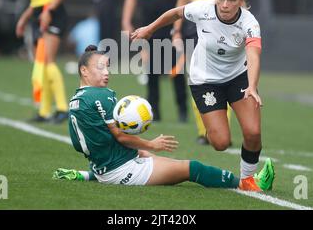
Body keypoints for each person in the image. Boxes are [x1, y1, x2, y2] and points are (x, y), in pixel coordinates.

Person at [53, 45, 274, 192]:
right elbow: (120, 136)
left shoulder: (76, 100)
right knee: (192, 168)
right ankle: (249, 184)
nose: (107, 73)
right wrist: (152, 143)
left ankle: (85, 175)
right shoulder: (102, 95)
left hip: (104, 167)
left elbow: (79, 144)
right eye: (100, 68)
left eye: (107, 67)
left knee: (145, 154)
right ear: (83, 70)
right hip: (123, 171)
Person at [131, 0, 268, 189]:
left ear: (241, 1)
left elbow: (253, 55)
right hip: (205, 80)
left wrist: (252, 86)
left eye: (232, 0)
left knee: (253, 133)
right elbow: (175, 13)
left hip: (238, 78)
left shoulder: (250, 23)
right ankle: (217, 131)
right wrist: (149, 29)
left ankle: (247, 179)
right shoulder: (202, 9)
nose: (224, 5)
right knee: (220, 143)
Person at [173, 0, 241, 145]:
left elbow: (241, 1)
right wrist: (176, 29)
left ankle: (223, 133)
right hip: (195, 27)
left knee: (225, 79)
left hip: (225, 28)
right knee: (197, 79)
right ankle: (204, 132)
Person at [121, 0, 187, 122]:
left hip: (174, 30)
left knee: (177, 72)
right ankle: (154, 113)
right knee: (152, 73)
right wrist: (126, 21)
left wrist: (180, 28)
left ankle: (182, 112)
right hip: (149, 30)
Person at [15, 0, 68, 123]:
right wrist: (25, 17)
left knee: (48, 61)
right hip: (40, 14)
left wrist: (48, 11)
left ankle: (63, 109)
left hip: (52, 13)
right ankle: (45, 111)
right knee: (42, 65)